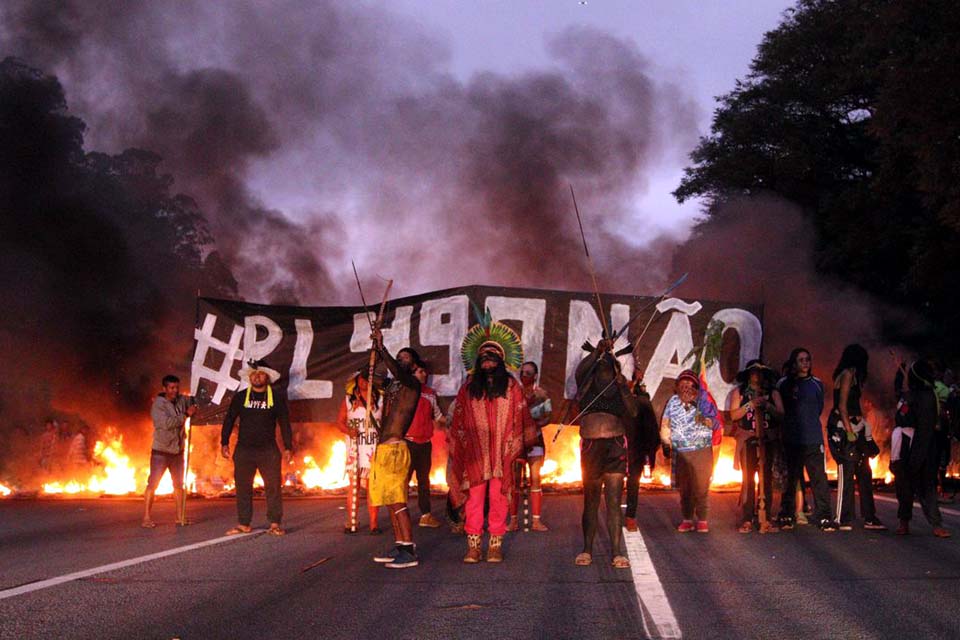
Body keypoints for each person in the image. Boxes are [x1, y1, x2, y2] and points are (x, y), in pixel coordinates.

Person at [449, 317, 536, 563]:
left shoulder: (511, 386)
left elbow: (521, 417)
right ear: (478, 362)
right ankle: (474, 546)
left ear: (500, 362)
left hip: (502, 454)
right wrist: (461, 448)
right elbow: (457, 421)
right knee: (474, 501)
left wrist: (515, 446)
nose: (487, 361)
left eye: (492, 357)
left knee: (499, 500)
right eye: (484, 357)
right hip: (475, 456)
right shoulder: (467, 389)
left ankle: (495, 544)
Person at [575, 339, 638, 568]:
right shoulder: (586, 382)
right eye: (599, 365)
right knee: (591, 500)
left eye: (608, 366)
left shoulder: (619, 386)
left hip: (615, 445)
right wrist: (597, 352)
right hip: (592, 444)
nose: (604, 369)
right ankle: (587, 549)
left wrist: (623, 386)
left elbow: (633, 411)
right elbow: (581, 370)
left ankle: (617, 552)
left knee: (613, 500)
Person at [221, 362, 294, 537]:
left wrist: (288, 446)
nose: (257, 377)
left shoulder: (276, 398)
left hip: (268, 450)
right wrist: (224, 442)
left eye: (260, 374)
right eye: (254, 374)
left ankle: (275, 523)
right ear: (249, 377)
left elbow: (284, 422)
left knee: (273, 487)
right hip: (244, 450)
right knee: (243, 487)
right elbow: (230, 419)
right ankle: (244, 523)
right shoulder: (241, 397)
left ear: (267, 377)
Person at [368, 335, 421, 569]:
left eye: (405, 357)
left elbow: (397, 373)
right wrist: (375, 355)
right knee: (389, 501)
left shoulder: (411, 384)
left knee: (398, 501)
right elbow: (371, 378)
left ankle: (409, 550)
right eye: (398, 357)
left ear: (414, 365)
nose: (401, 360)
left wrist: (382, 348)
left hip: (396, 450)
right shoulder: (394, 387)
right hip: (383, 449)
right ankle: (400, 544)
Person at [776, 348, 837, 531]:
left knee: (819, 479)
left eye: (807, 360)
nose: (805, 363)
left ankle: (824, 516)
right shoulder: (784, 384)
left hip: (813, 439)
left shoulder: (817, 384)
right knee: (792, 478)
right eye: (801, 360)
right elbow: (781, 409)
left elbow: (818, 408)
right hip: (792, 438)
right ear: (794, 363)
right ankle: (786, 514)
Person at [827, 344, 885, 531]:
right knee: (847, 470)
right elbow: (842, 405)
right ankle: (841, 518)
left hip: (855, 428)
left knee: (864, 471)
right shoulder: (847, 375)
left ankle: (870, 517)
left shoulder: (852, 376)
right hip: (845, 429)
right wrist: (849, 430)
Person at [891, 360, 951, 537]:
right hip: (902, 445)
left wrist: (916, 458)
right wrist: (899, 374)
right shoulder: (909, 394)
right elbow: (898, 394)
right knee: (903, 486)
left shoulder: (927, 396)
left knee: (926, 485)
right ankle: (904, 522)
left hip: (921, 445)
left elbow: (925, 428)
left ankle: (936, 524)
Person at [660, 369, 718, 534]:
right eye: (682, 383)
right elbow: (665, 422)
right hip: (682, 451)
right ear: (677, 386)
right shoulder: (672, 401)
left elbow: (715, 423)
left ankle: (702, 519)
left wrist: (705, 419)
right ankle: (687, 518)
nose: (685, 387)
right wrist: (665, 442)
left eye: (689, 383)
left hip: (701, 450)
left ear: (695, 386)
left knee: (701, 486)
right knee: (685, 487)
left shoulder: (704, 401)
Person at [729, 360, 783, 533]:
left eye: (760, 373)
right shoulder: (740, 392)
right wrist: (751, 404)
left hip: (767, 440)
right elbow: (734, 414)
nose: (756, 376)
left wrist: (767, 405)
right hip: (748, 441)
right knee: (748, 479)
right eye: (753, 372)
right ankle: (747, 518)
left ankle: (765, 517)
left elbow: (781, 414)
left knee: (766, 479)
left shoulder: (772, 393)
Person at [143, 374, 196, 528]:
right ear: (164, 388)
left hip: (177, 452)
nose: (175, 390)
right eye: (172, 388)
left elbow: (195, 400)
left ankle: (180, 517)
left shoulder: (181, 400)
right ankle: (146, 517)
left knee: (179, 485)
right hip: (161, 451)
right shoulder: (158, 405)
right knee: (153, 484)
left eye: (177, 387)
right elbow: (166, 424)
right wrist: (186, 415)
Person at [508, 360, 552, 532]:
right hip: (517, 441)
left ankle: (535, 520)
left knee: (535, 478)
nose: (524, 376)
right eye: (522, 372)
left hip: (536, 440)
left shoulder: (542, 395)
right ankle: (513, 520)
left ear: (535, 376)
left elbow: (548, 416)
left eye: (528, 373)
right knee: (515, 480)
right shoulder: (513, 394)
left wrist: (535, 424)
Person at [337, 369, 382, 534]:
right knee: (353, 484)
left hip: (372, 447)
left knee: (372, 486)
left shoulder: (381, 400)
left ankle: (374, 523)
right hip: (354, 447)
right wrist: (349, 431)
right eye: (361, 379)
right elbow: (340, 422)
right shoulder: (349, 401)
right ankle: (351, 521)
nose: (364, 382)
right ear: (356, 381)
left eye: (367, 379)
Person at [406, 361, 444, 528]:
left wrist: (454, 420)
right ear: (412, 373)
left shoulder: (430, 394)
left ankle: (425, 515)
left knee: (423, 481)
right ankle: (400, 516)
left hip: (425, 443)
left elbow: (438, 416)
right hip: (408, 442)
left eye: (425, 372)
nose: (424, 375)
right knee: (403, 480)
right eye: (420, 371)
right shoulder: (405, 391)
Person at [624, 372, 659, 532]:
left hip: (635, 450)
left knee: (633, 483)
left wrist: (649, 456)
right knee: (614, 483)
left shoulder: (643, 402)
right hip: (615, 448)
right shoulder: (612, 399)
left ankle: (630, 516)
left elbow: (651, 430)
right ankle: (616, 516)